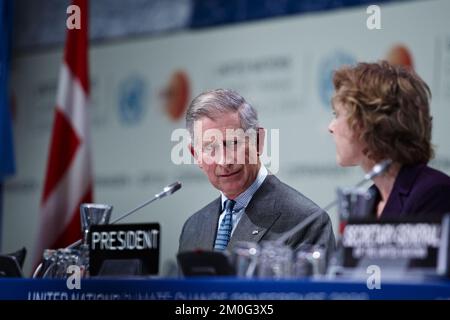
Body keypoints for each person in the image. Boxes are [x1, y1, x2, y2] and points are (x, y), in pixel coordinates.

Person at [179, 89, 335, 254]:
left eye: (233, 143)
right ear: (195, 155)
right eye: (210, 148)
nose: (224, 161)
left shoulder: (307, 222)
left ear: (258, 141)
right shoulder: (192, 227)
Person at [328, 61, 450, 220]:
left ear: (368, 124)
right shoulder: (370, 200)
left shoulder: (435, 194)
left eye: (337, 115)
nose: (331, 127)